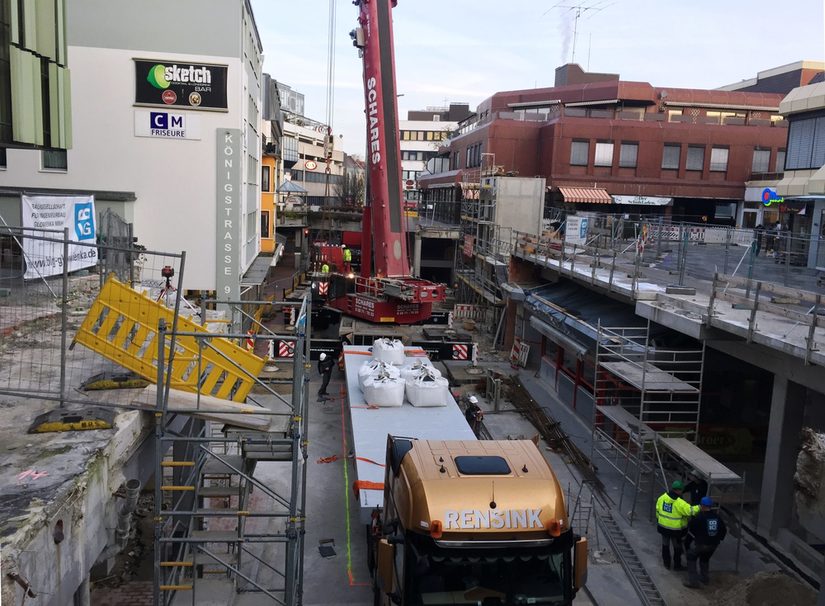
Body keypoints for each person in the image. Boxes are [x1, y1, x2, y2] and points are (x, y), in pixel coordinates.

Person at [683, 496, 727, 588]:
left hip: (702, 544)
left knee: (691, 556)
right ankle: (704, 578)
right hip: (714, 545)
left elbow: (692, 531)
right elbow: (723, 530)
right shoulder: (717, 517)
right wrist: (717, 539)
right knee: (705, 559)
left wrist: (687, 543)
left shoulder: (699, 518)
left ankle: (693, 582)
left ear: (702, 506)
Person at [656, 480, 699, 570]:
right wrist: (700, 507)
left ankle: (666, 564)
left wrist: (660, 521)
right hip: (675, 531)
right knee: (677, 548)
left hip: (663, 528)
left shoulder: (662, 498)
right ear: (679, 490)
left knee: (665, 545)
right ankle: (677, 566)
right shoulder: (680, 502)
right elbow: (690, 511)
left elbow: (657, 511)